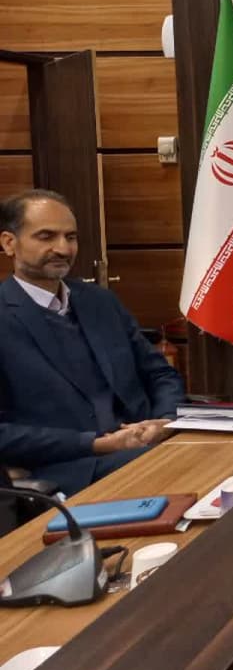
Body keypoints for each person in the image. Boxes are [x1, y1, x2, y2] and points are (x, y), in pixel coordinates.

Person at [0, 190, 184, 497]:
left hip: (150, 446)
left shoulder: (100, 301)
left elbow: (160, 374)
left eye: (70, 237)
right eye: (46, 236)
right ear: (9, 243)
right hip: (75, 469)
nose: (63, 248)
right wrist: (98, 444)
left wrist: (164, 421)